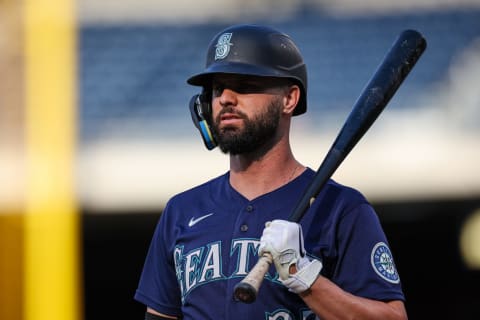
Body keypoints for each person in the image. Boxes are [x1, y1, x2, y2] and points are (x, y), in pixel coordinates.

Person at [134, 24, 407, 320]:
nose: (225, 98)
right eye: (216, 89)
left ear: (289, 99)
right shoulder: (181, 210)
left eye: (245, 85)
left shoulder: (341, 208)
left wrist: (304, 277)